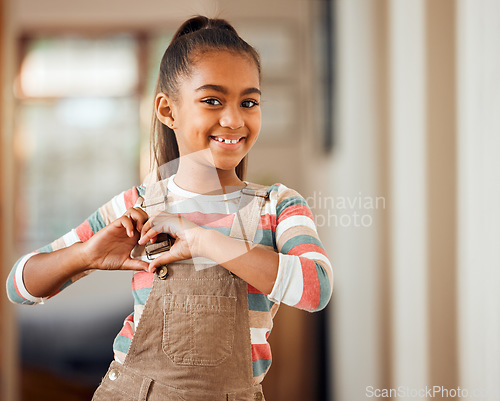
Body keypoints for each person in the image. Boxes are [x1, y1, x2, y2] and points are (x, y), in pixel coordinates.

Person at [6, 15, 333, 401]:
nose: (233, 119)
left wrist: (203, 240)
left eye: (249, 102)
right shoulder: (139, 204)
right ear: (167, 110)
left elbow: (316, 288)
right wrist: (86, 256)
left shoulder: (278, 205)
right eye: (212, 100)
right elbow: (19, 286)